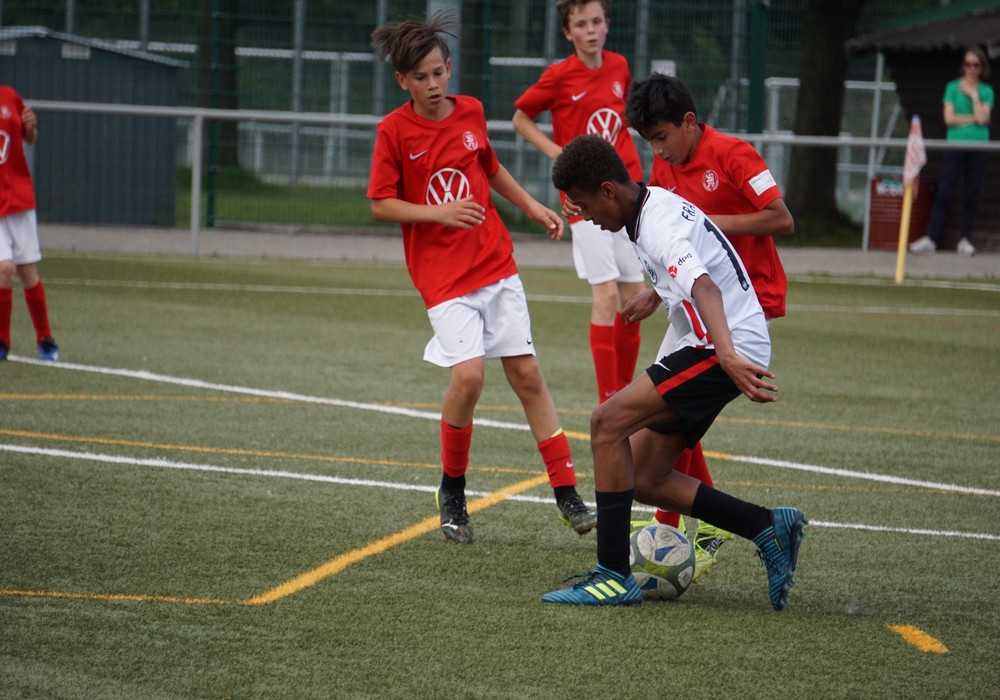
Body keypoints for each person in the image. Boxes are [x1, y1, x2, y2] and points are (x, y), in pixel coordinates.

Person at [541, 134, 805, 610]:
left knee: (606, 423)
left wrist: (725, 354)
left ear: (607, 190)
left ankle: (610, 576)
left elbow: (703, 285)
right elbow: (693, 270)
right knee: (645, 475)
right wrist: (657, 293)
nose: (587, 220)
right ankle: (766, 525)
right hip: (708, 341)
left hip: (720, 343)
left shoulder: (657, 223)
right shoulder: (648, 205)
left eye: (583, 207)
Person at [367, 12, 596, 544]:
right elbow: (380, 204)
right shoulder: (393, 131)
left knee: (529, 377)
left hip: (495, 264)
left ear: (449, 68)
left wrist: (534, 207)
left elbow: (490, 170)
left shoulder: (470, 112)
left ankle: (567, 494)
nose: (432, 84)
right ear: (402, 81)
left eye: (438, 72)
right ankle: (452, 492)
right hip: (442, 278)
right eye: (419, 77)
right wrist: (437, 215)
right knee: (468, 378)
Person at [621, 72, 794, 580]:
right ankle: (678, 526)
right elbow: (675, 246)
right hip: (693, 305)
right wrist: (656, 292)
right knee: (665, 415)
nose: (658, 151)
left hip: (744, 305)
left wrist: (712, 222)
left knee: (660, 411)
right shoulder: (663, 161)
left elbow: (781, 219)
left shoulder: (734, 154)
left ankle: (677, 524)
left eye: (661, 138)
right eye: (649, 141)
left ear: (690, 122)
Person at [512, 0, 646, 405]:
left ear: (607, 24)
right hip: (585, 203)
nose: (591, 29)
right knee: (605, 297)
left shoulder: (620, 67)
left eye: (597, 21)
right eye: (581, 24)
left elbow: (618, 127)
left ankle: (624, 396)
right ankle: (609, 400)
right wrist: (559, 154)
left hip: (624, 195)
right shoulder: (558, 76)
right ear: (568, 33)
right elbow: (520, 118)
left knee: (634, 300)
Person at [910, 47, 993, 257]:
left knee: (971, 192)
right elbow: (949, 119)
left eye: (976, 65)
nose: (971, 69)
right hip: (955, 145)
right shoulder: (952, 88)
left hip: (978, 146)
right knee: (945, 190)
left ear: (982, 68)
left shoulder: (986, 91)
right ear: (963, 66)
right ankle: (931, 237)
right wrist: (972, 118)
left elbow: (984, 119)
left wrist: (975, 97)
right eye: (968, 64)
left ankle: (964, 239)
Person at [0, 85, 58, 362]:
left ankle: (45, 338)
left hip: (18, 198)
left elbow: (29, 138)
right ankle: (2, 340)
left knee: (26, 270)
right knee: (4, 268)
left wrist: (30, 127)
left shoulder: (9, 96)